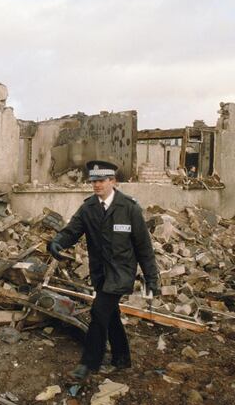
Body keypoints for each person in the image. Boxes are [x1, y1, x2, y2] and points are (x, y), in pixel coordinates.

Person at [48, 160, 159, 381]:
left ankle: (89, 363)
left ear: (112, 181)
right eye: (93, 181)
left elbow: (144, 248)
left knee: (99, 313)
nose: (96, 185)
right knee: (110, 315)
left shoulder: (129, 208)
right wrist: (57, 241)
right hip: (100, 273)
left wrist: (151, 279)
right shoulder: (88, 208)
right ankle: (121, 357)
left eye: (101, 181)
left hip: (121, 273)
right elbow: (72, 231)